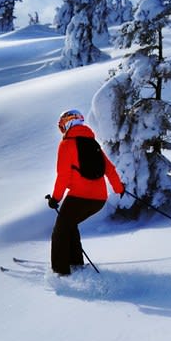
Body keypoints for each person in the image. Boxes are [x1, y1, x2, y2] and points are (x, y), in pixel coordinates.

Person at [46, 109, 124, 275]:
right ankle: (75, 264)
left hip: (79, 197)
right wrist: (119, 188)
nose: (62, 131)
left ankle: (61, 272)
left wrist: (55, 199)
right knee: (69, 225)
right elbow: (109, 168)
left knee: (60, 232)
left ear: (68, 123)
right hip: (99, 200)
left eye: (62, 127)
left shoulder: (67, 144)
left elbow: (63, 176)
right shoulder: (93, 143)